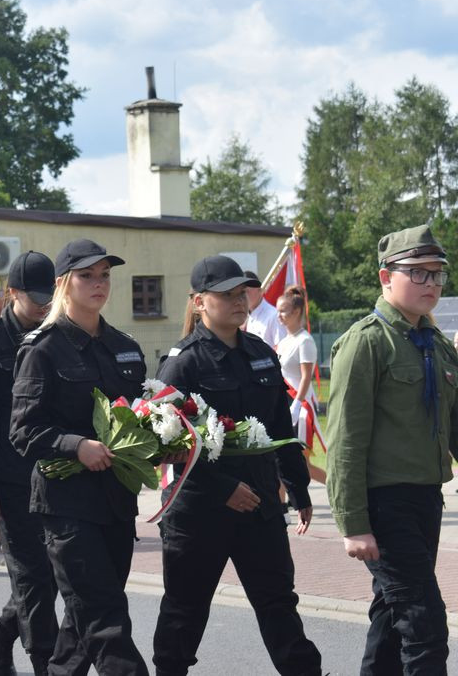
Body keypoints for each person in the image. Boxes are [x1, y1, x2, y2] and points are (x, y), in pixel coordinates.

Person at [151, 255, 321, 676]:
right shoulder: (182, 363)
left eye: (241, 292)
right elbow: (164, 443)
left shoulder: (262, 354)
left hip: (260, 506)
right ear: (198, 303)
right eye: (225, 295)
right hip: (200, 513)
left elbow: (281, 427)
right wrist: (221, 487)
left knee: (279, 603)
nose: (238, 300)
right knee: (184, 612)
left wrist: (298, 488)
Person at [10, 239, 149, 674]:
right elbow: (23, 430)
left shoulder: (125, 347)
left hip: (115, 501)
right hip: (67, 506)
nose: (99, 283)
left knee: (79, 625)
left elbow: (140, 415)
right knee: (107, 619)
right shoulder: (42, 348)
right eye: (87, 275)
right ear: (63, 285)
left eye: (105, 275)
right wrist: (76, 446)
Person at [326, 224, 458, 674]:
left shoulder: (436, 344)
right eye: (418, 273)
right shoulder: (366, 342)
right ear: (386, 277)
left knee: (391, 618)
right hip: (383, 506)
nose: (432, 284)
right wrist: (354, 524)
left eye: (438, 274)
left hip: (425, 500)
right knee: (424, 626)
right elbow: (345, 441)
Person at [0, 250, 87, 676]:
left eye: (49, 295)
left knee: (47, 577)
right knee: (34, 580)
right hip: (9, 479)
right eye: (35, 297)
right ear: (12, 294)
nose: (43, 305)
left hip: (54, 475)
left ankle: (0, 634)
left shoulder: (58, 334)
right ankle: (46, 664)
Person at [275, 286, 326, 484]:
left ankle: (339, 490)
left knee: (303, 464)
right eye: (278, 310)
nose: (278, 315)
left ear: (296, 311)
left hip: (301, 407)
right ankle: (283, 510)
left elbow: (306, 377)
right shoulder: (285, 340)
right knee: (280, 461)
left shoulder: (304, 341)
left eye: (283, 311)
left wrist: (296, 404)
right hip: (285, 405)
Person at [244, 270, 286, 348]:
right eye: (242, 292)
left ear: (260, 291)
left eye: (247, 291)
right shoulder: (249, 316)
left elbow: (282, 348)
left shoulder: (274, 316)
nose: (244, 296)